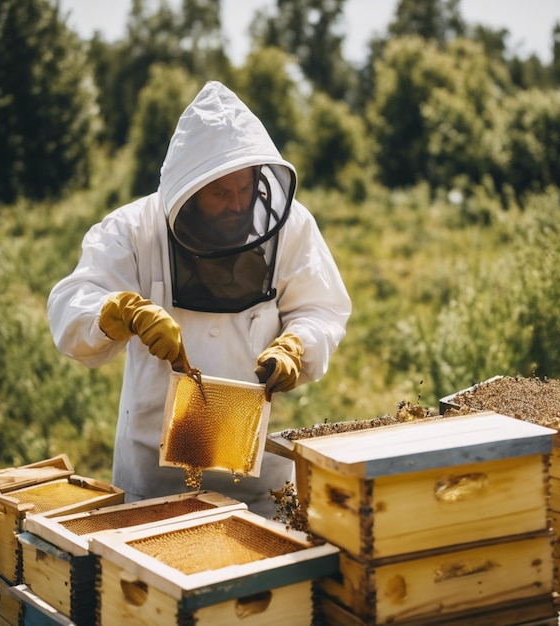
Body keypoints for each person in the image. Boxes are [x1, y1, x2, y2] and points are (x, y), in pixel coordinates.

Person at [47, 81, 351, 516]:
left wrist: (298, 346)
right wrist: (120, 312)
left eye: (244, 189)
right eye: (219, 193)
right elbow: (69, 306)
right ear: (188, 192)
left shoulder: (291, 227)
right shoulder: (133, 229)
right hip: (153, 485)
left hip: (258, 484)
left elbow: (321, 308)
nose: (236, 204)